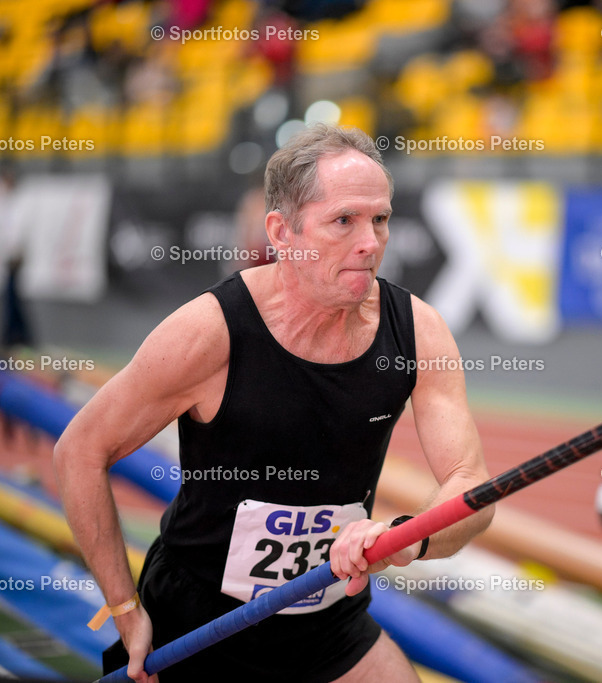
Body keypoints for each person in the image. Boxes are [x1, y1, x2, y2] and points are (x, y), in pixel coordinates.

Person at [53, 124, 494, 682]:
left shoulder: (416, 332)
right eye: (344, 221)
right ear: (282, 233)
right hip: (198, 628)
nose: (371, 242)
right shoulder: (209, 333)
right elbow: (80, 450)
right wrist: (123, 606)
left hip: (328, 623)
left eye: (380, 219)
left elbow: (471, 486)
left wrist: (407, 537)